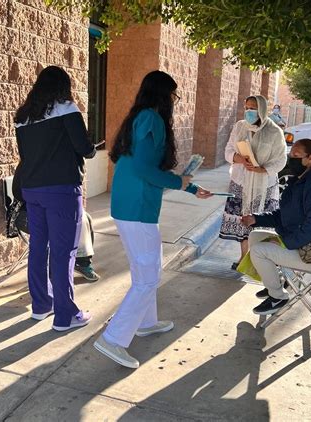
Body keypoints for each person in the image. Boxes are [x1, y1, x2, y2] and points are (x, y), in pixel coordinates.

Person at [94, 71, 212, 369]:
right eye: (174, 95)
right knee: (148, 276)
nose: (175, 100)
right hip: (138, 208)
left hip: (130, 205)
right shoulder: (152, 120)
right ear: (164, 94)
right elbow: (146, 170)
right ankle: (113, 339)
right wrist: (183, 183)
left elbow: (141, 167)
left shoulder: (140, 117)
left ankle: (146, 322)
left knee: (145, 269)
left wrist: (190, 186)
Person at [14, 66, 96, 331]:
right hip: (61, 189)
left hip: (32, 189)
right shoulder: (66, 108)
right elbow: (83, 148)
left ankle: (41, 305)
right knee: (64, 252)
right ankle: (66, 316)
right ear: (63, 86)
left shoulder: (23, 116)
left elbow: (26, 155)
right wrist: (91, 147)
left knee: (39, 246)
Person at [242, 138, 311, 315]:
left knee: (259, 251)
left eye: (296, 155)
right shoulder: (301, 181)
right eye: (290, 154)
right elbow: (284, 215)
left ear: (310, 159)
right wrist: (256, 219)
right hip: (306, 244)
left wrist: (286, 243)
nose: (290, 158)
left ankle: (278, 297)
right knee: (255, 236)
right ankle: (274, 284)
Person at [220, 95, 287, 270]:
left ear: (263, 110)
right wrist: (239, 158)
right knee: (242, 221)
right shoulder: (240, 127)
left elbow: (281, 160)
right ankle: (244, 258)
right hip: (240, 182)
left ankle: (259, 261)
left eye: (253, 108)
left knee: (258, 222)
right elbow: (227, 151)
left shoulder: (274, 131)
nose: (249, 112)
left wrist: (262, 169)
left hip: (263, 186)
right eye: (247, 107)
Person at [8, 167, 100, 282]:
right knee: (58, 224)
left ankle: (82, 262)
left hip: (54, 211)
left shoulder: (57, 166)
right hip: (26, 214)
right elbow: (18, 193)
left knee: (84, 218)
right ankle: (54, 270)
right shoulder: (27, 165)